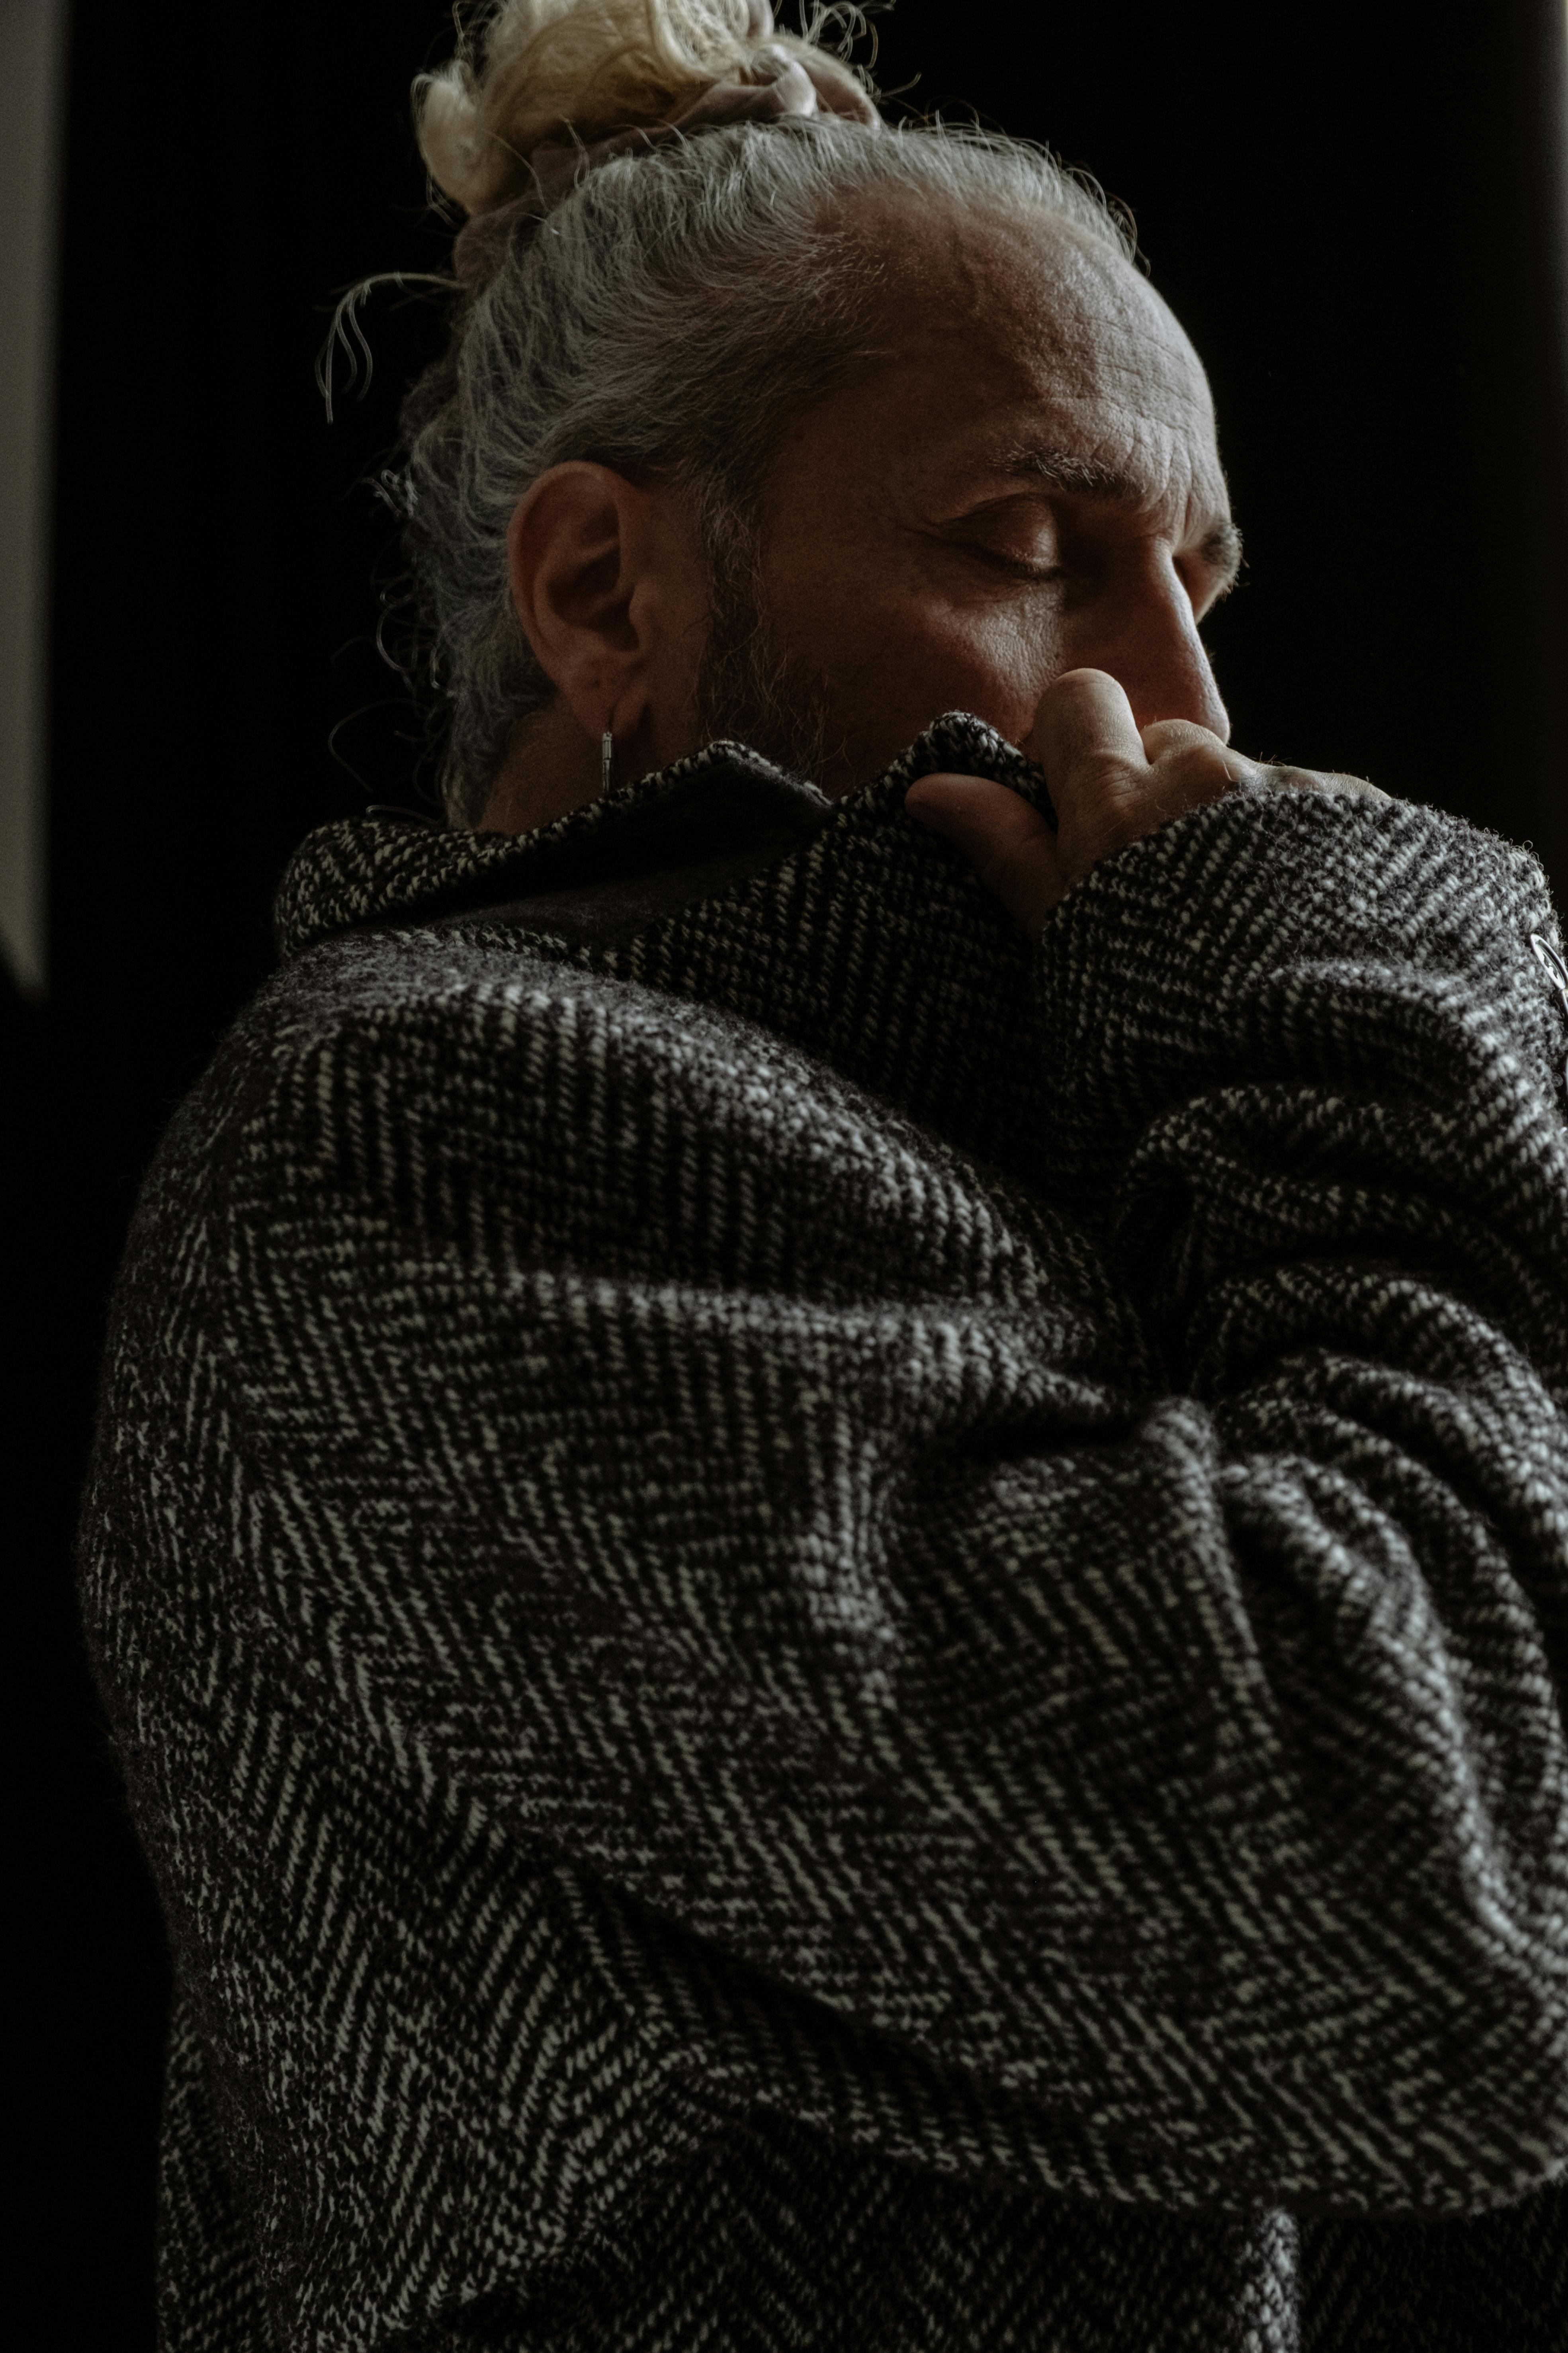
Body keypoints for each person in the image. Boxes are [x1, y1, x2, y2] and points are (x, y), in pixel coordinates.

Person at [80, 4, 1568, 2347]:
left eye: (1198, 578)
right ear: (599, 598)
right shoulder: (416, 1137)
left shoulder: (1132, 1124)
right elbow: (1451, 1926)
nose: (1180, 702)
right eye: (1024, 545)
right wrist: (1372, 1015)